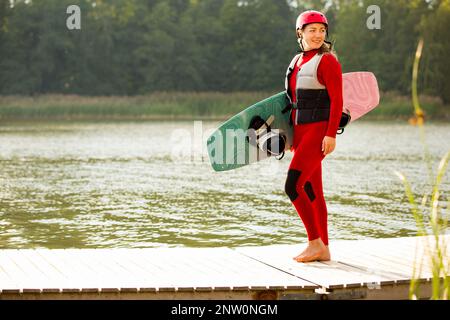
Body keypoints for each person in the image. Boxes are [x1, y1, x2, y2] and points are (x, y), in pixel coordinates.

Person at [284, 10, 343, 263]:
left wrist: (331, 134)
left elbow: (337, 100)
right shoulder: (296, 61)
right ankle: (324, 248)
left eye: (322, 30)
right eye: (312, 30)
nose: (318, 35)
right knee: (312, 190)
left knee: (292, 185)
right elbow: (292, 102)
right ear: (301, 33)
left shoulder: (327, 61)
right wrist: (290, 138)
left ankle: (314, 242)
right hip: (300, 133)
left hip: (318, 133)